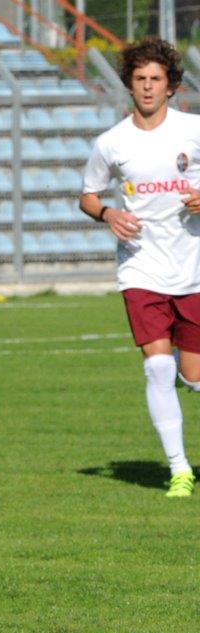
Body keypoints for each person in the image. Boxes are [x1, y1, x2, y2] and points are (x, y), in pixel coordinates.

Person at [81, 36, 200, 498]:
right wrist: (108, 214)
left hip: (192, 268)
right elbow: (88, 195)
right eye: (139, 78)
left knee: (193, 376)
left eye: (156, 79)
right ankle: (179, 470)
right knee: (157, 369)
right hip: (141, 268)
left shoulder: (193, 130)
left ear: (171, 85)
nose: (148, 86)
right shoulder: (112, 142)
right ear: (129, 84)